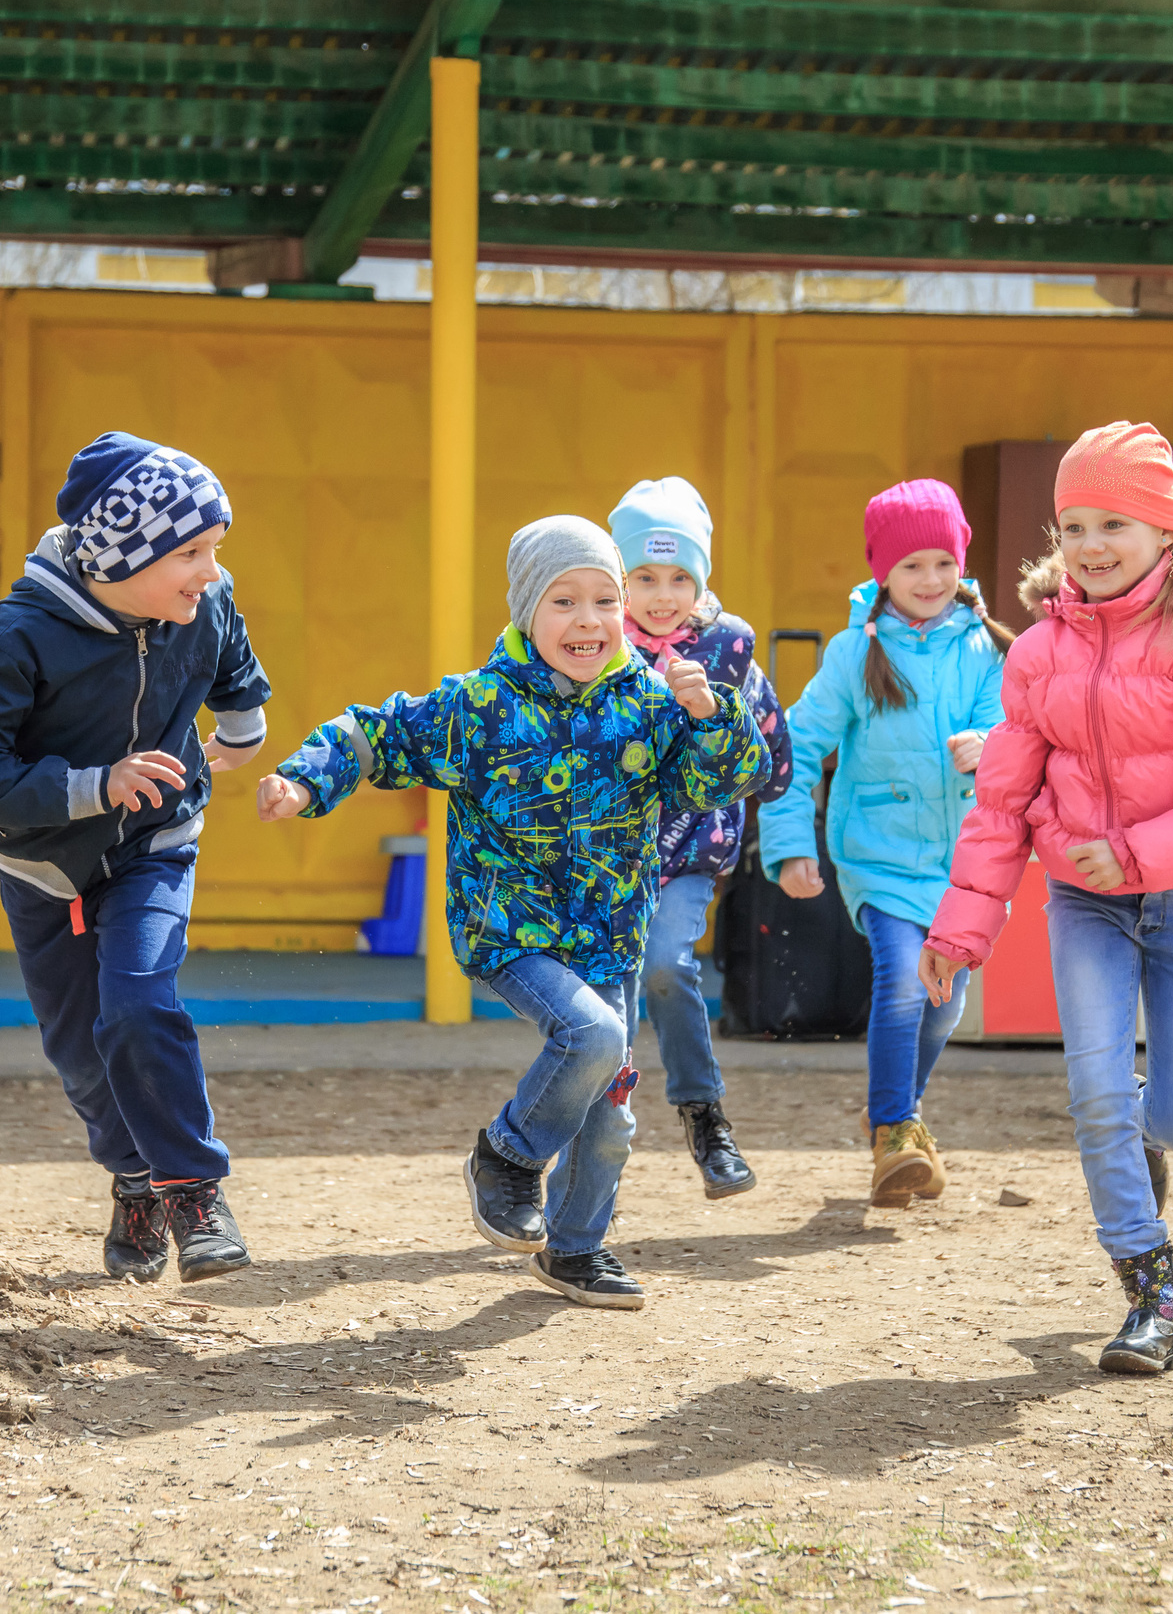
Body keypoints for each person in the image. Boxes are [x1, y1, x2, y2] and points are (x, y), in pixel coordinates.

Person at [258, 517, 769, 1310]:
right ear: (528, 611)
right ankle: (508, 1154)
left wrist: (711, 717)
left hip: (610, 937)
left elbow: (722, 784)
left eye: (605, 600)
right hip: (510, 930)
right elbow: (376, 733)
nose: (588, 619)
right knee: (593, 1036)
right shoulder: (479, 706)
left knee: (610, 1112)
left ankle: (575, 1249)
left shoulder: (651, 702)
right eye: (564, 601)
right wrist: (303, 781)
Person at [920, 422, 1173, 1375]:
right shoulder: (1039, 653)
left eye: (1113, 524)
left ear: (1164, 530)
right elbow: (1002, 804)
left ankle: (1148, 1148)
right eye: (1074, 525)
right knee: (1096, 1093)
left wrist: (1130, 852)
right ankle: (1150, 1295)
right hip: (1084, 904)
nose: (1090, 545)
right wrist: (961, 931)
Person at [0, 432, 271, 1287]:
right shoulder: (17, 641)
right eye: (190, 552)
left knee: (139, 1006)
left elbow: (229, 651)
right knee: (83, 1054)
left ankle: (193, 1191)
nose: (211, 571)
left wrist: (242, 725)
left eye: (215, 548)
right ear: (124, 556)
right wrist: (92, 786)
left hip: (156, 843)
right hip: (45, 870)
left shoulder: (207, 601)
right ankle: (135, 1179)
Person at [755, 479, 1014, 1208]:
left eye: (943, 563)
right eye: (911, 566)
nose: (930, 580)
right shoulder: (851, 654)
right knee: (904, 980)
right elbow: (797, 748)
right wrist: (791, 844)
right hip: (879, 856)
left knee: (944, 1005)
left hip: (964, 865)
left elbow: (1017, 732)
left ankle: (896, 1115)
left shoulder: (987, 648)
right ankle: (896, 1129)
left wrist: (990, 747)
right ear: (882, 572)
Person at [609, 477, 795, 1199]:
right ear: (619, 577)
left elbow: (772, 753)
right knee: (606, 1001)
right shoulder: (591, 644)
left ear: (702, 578)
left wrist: (720, 723)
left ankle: (703, 1114)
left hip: (688, 851)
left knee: (663, 964)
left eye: (680, 577)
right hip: (602, 855)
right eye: (644, 577)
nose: (663, 595)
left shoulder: (729, 647)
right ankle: (591, 1150)